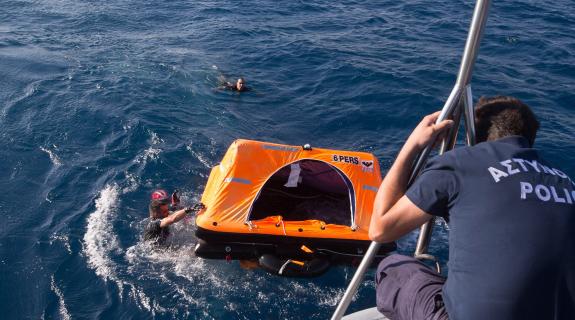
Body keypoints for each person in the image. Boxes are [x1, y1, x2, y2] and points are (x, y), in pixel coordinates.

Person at [369, 96, 575, 320]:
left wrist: (414, 145)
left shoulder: (461, 163)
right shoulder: (567, 183)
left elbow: (381, 228)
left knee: (392, 267)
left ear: (475, 136)